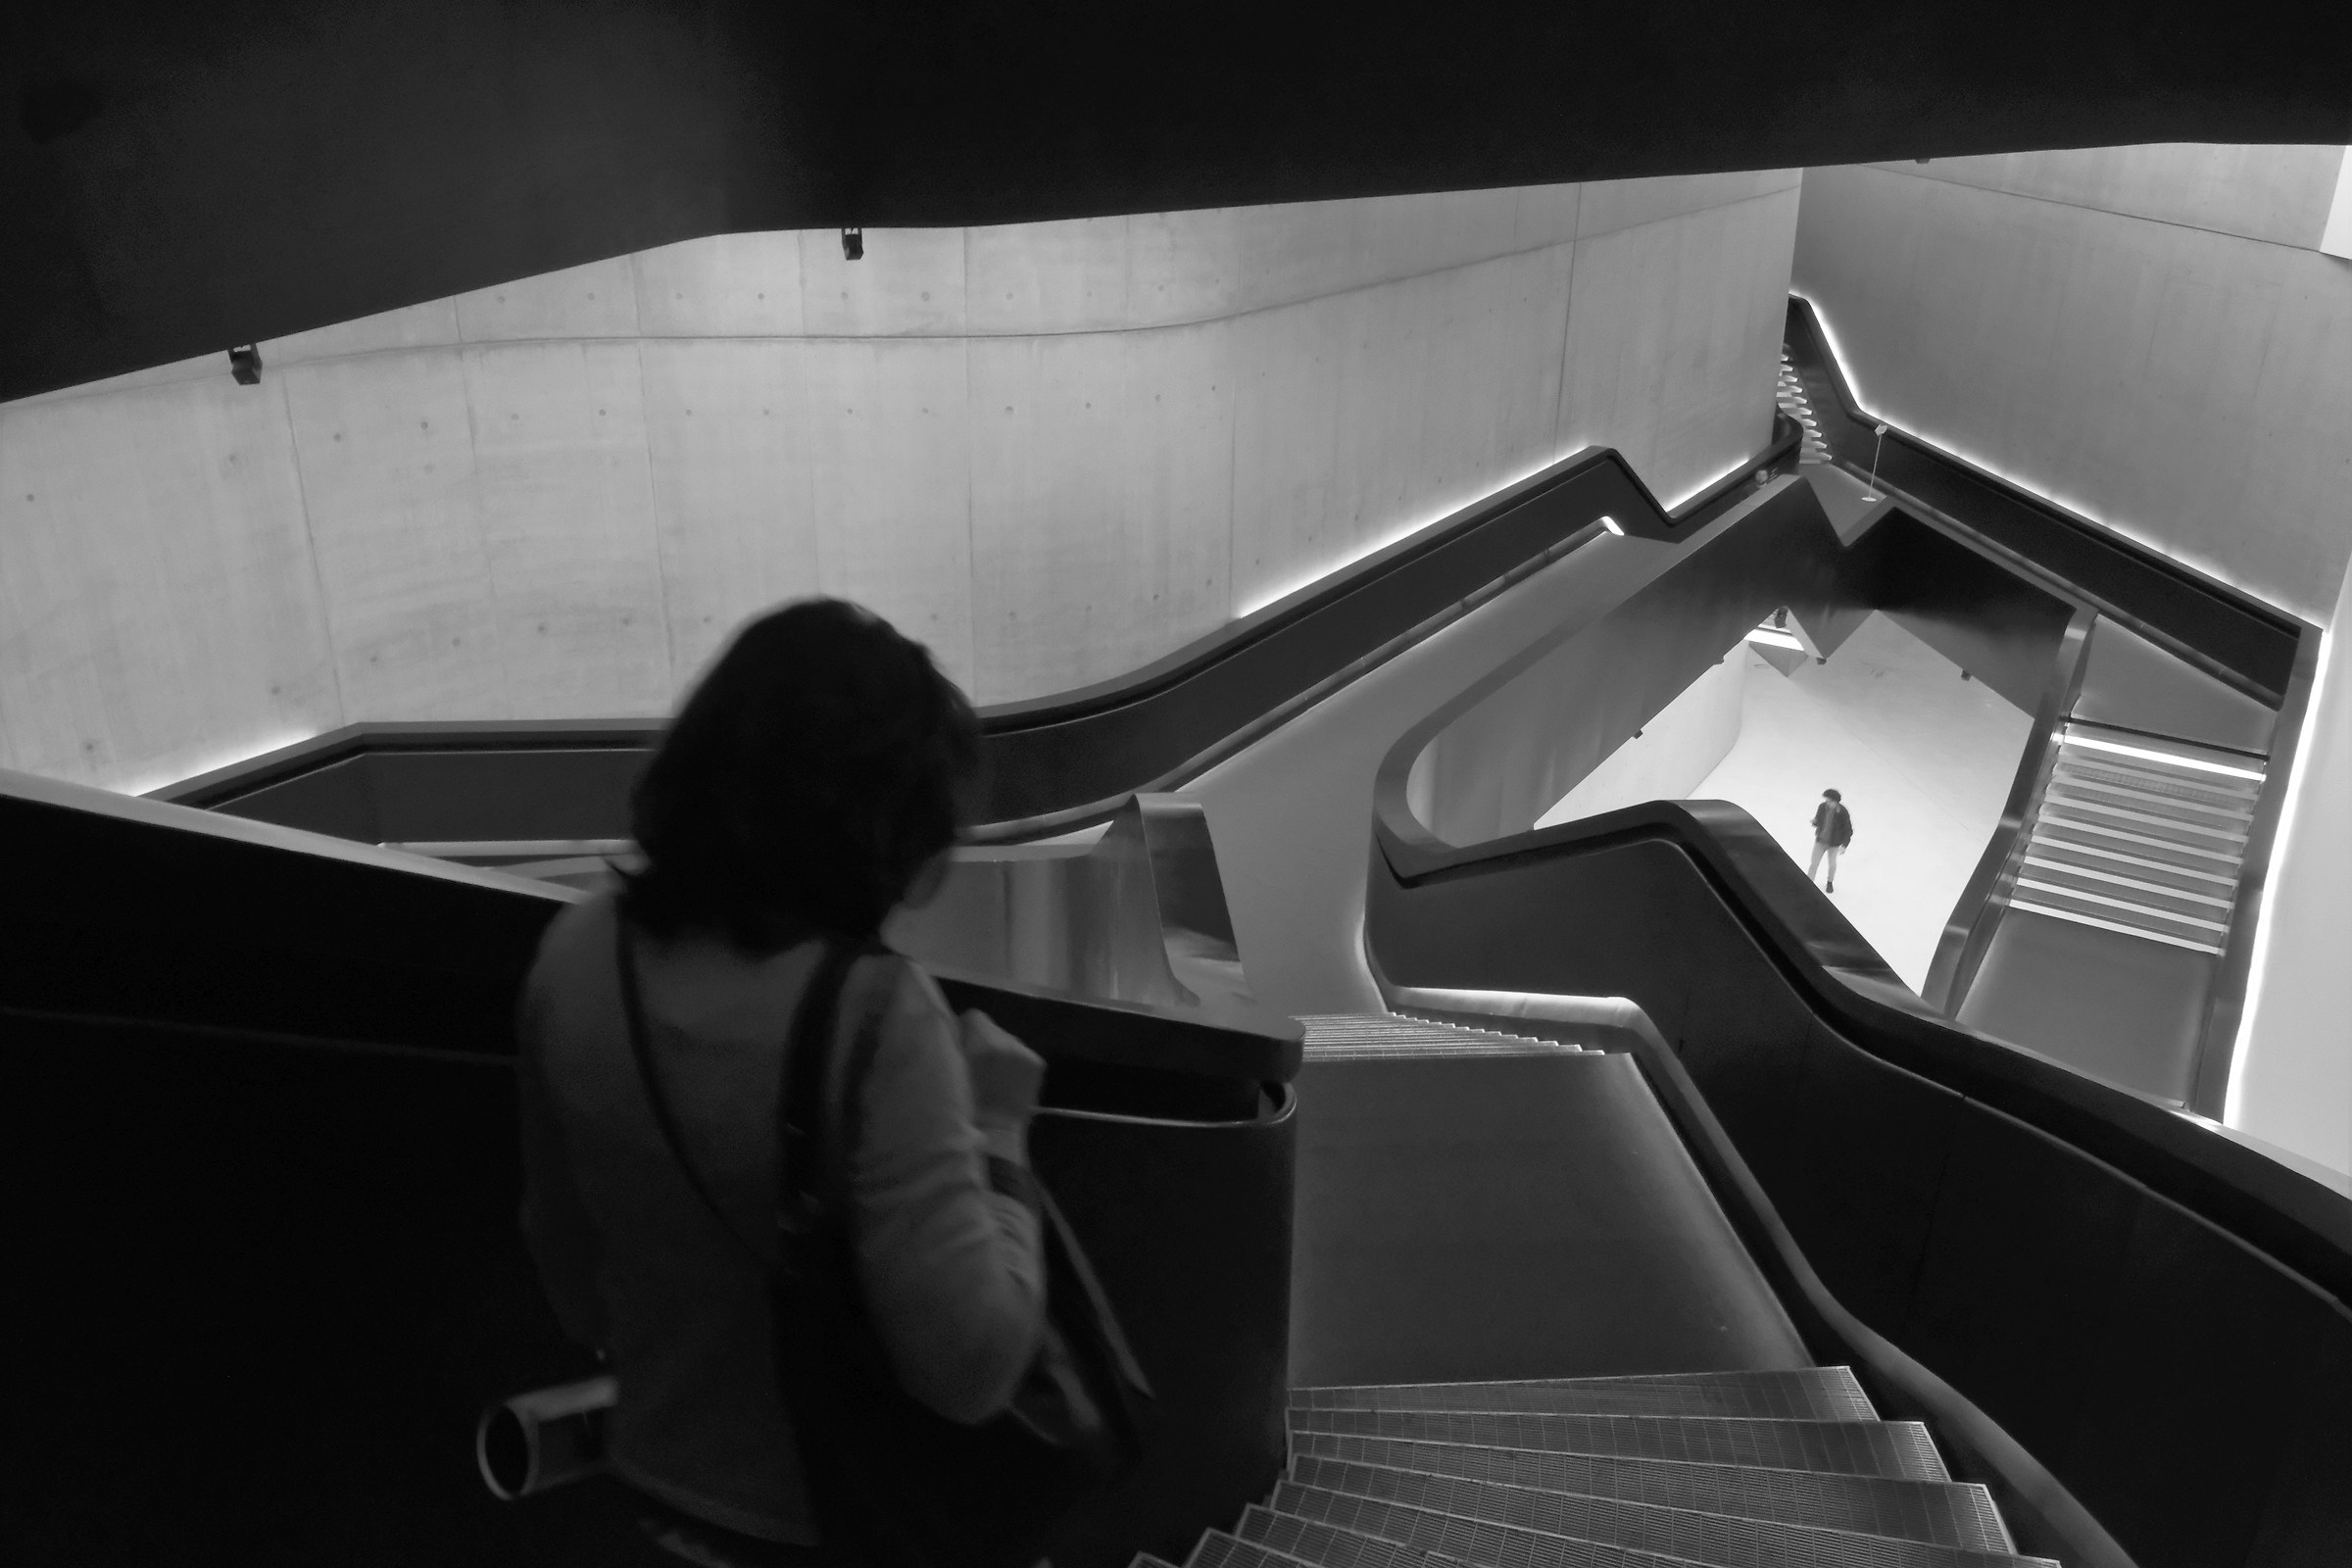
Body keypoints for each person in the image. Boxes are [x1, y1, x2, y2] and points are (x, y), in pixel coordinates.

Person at [514, 599, 1048, 1567]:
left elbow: (568, 1271)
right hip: (834, 1528)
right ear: (874, 835)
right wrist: (1001, 1127)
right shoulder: (880, 1020)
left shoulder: (574, 954)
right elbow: (972, 1364)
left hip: (647, 1499)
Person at [1807, 788, 1853, 892]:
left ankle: (1830, 882)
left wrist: (1844, 845)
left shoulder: (1843, 812)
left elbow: (1848, 830)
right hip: (1820, 841)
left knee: (1832, 865)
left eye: (1829, 801)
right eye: (1826, 800)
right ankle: (1808, 882)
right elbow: (1818, 820)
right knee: (1814, 864)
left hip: (1834, 844)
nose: (1826, 803)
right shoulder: (1822, 807)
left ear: (1835, 802)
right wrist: (1815, 822)